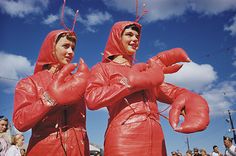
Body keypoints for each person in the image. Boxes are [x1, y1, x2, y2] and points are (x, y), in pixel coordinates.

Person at [84, 20, 209, 155]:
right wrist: (127, 84)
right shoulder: (102, 68)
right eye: (129, 35)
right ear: (116, 37)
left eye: (137, 37)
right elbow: (92, 98)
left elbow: (166, 90)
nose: (135, 39)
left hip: (156, 138)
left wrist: (188, 97)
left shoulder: (144, 71)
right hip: (124, 137)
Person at [13, 29, 90, 155]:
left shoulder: (77, 81)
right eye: (66, 46)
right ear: (51, 48)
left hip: (79, 149)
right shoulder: (29, 83)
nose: (71, 52)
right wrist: (49, 99)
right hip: (45, 150)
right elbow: (20, 122)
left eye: (73, 48)